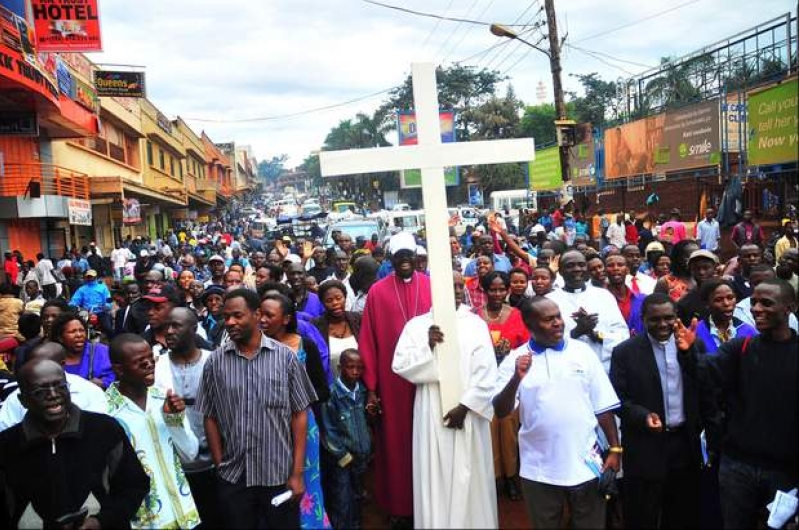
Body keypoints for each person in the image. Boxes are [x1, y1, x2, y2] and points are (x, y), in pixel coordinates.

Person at [493, 297, 622, 529]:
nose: (558, 323)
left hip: (587, 463)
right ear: (530, 325)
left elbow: (603, 405)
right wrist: (516, 378)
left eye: (558, 316)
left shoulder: (582, 352)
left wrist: (615, 448)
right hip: (539, 469)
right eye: (548, 319)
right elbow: (501, 411)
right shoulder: (515, 359)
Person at [195, 289, 317, 528]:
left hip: (278, 474)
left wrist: (297, 473)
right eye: (226, 316)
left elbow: (299, 415)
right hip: (234, 476)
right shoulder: (215, 362)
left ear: (256, 314)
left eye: (237, 315)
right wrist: (221, 465)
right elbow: (209, 416)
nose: (230, 322)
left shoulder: (285, 358)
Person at [392, 271, 498, 528]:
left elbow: (487, 372)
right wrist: (426, 345)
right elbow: (400, 365)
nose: (458, 290)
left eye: (461, 285)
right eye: (452, 286)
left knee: (470, 475)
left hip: (468, 411)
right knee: (434, 475)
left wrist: (466, 406)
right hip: (431, 408)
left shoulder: (475, 324)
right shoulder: (416, 326)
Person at [610, 293, 716, 529]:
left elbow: (707, 387)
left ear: (676, 317)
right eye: (654, 319)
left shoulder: (692, 345)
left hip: (683, 443)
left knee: (681, 511)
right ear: (643, 319)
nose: (662, 324)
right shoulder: (624, 352)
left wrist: (689, 354)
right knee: (642, 512)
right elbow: (617, 399)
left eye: (668, 318)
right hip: (644, 444)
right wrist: (642, 416)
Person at [0, 358, 148, 528]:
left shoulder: (105, 429)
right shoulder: (7, 445)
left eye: (61, 386)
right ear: (23, 400)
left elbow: (135, 485)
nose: (54, 395)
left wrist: (102, 521)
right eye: (41, 391)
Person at [707, 279, 797, 529]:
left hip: (784, 471)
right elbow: (706, 374)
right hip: (738, 466)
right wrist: (687, 351)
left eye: (766, 303)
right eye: (754, 302)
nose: (756, 308)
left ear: (789, 307)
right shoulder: (741, 347)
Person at [358, 231, 432, 526]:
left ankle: (429, 505)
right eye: (398, 257)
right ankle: (399, 507)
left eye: (409, 256)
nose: (404, 261)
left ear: (416, 258)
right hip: (392, 384)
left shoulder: (430, 286)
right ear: (390, 259)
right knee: (395, 445)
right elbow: (368, 342)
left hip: (428, 380)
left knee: (427, 442)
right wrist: (372, 389)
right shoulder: (377, 291)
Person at [106, 334, 201, 528]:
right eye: (140, 362)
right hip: (143, 522)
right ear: (119, 369)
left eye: (151, 358)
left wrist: (173, 420)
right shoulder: (106, 412)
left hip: (185, 515)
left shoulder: (164, 399)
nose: (150, 365)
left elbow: (190, 453)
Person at [260, 293, 331, 529]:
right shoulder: (254, 347)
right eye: (260, 313)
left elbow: (322, 389)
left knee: (305, 482)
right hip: (268, 425)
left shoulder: (303, 344)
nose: (262, 319)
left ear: (285, 318)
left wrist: (295, 398)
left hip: (301, 423)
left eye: (269, 315)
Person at [155, 307, 219, 528]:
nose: (169, 331)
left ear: (193, 330)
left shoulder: (215, 362)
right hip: (177, 466)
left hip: (217, 463)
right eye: (166, 326)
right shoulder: (156, 366)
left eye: (176, 326)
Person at [473, 271, 529, 501]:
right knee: (488, 429)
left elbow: (526, 347)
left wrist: (509, 354)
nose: (497, 294)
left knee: (508, 430)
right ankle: (494, 477)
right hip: (483, 382)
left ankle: (510, 476)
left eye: (501, 289)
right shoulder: (474, 317)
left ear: (507, 291)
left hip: (508, 384)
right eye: (492, 290)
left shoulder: (517, 315)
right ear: (484, 292)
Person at [546, 250, 630, 372]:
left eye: (581, 265)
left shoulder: (604, 296)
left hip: (603, 368)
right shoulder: (549, 301)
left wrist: (595, 334)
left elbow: (622, 334)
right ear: (561, 271)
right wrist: (576, 332)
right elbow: (544, 339)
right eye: (570, 265)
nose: (577, 269)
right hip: (565, 368)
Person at [0, 341, 108, 431]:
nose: (53, 395)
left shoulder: (89, 391)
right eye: (35, 364)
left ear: (62, 364)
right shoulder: (16, 397)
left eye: (47, 365)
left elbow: (99, 428)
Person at [320, 349, 371, 529]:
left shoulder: (363, 392)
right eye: (350, 367)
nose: (355, 372)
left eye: (359, 368)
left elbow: (367, 424)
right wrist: (343, 455)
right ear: (340, 367)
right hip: (341, 461)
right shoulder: (332, 395)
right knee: (342, 501)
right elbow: (328, 431)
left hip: (361, 457)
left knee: (358, 499)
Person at [51, 312, 114, 389]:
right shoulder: (52, 357)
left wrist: (104, 383)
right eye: (72, 331)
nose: (79, 335)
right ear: (60, 338)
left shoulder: (101, 351)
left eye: (82, 330)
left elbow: (115, 377)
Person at [695, 278, 758, 355]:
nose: (726, 303)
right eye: (718, 300)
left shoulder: (748, 331)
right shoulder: (696, 331)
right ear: (707, 304)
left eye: (730, 298)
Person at [313, 280, 361, 380]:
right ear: (322, 303)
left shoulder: (358, 320)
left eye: (339, 298)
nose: (335, 303)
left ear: (345, 298)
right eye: (329, 300)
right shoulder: (316, 326)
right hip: (330, 387)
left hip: (360, 386)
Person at [734, 264, 799, 332]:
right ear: (750, 284)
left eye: (767, 303)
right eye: (757, 283)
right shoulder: (739, 310)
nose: (763, 287)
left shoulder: (786, 311)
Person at [606, 254, 646, 336]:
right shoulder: (599, 299)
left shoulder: (642, 299)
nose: (616, 268)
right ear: (605, 271)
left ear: (627, 270)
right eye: (610, 265)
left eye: (620, 265)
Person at [677, 250, 720, 326]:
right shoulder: (685, 302)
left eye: (706, 268)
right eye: (696, 268)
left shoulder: (726, 292)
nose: (701, 272)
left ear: (714, 267)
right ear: (690, 270)